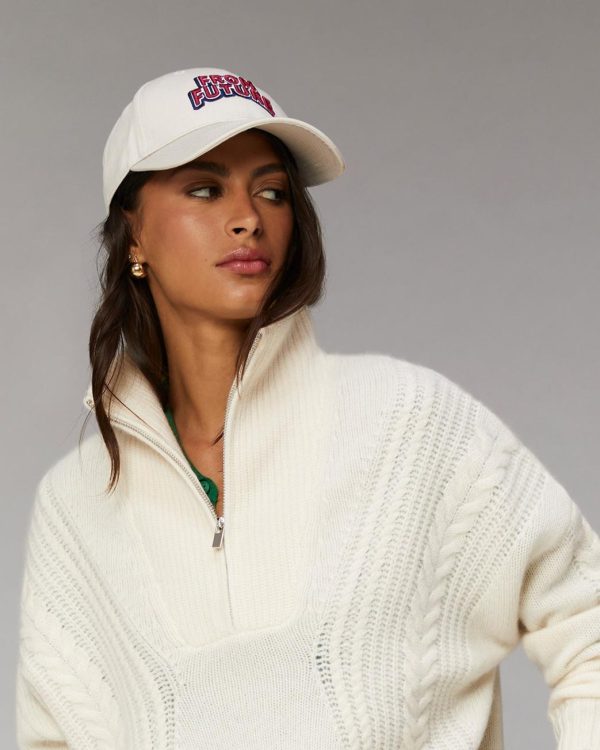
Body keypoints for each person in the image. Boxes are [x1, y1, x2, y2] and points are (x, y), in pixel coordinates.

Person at [15, 67, 600, 749]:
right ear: (134, 234)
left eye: (272, 192)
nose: (248, 218)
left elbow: (586, 621)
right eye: (205, 189)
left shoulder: (411, 425)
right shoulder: (77, 504)